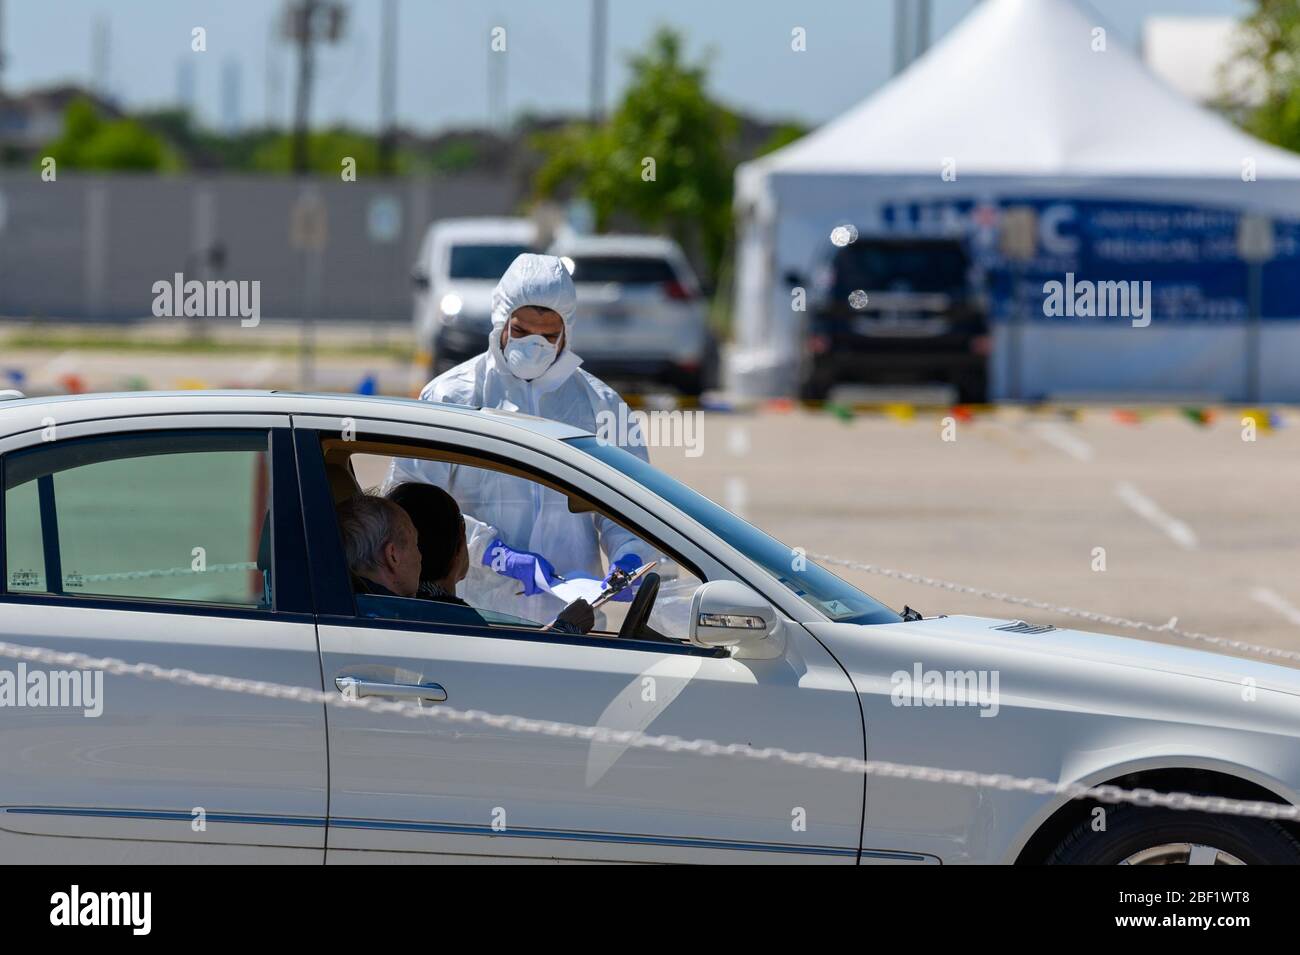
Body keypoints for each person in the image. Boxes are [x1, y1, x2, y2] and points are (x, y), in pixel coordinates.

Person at [384, 252, 650, 624]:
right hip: (476, 616)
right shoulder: (452, 397)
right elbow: (410, 505)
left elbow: (631, 505)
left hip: (573, 622)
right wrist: (493, 553)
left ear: (567, 332)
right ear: (502, 321)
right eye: (522, 331)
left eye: (548, 335)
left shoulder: (601, 405)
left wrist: (629, 554)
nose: (534, 345)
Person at [386, 482, 595, 634]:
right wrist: (564, 630)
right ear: (461, 540)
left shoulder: (385, 609)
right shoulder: (456, 621)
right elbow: (506, 680)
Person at [335, 493, 422, 598]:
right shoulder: (399, 612)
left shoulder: (333, 599)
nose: (420, 556)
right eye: (415, 544)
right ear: (393, 556)